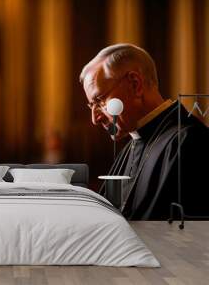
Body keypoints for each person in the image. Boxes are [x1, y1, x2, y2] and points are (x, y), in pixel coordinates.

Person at [79, 43, 209, 220]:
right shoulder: (131, 145)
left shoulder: (189, 142)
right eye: (91, 105)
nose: (95, 119)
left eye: (100, 101)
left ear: (135, 85)